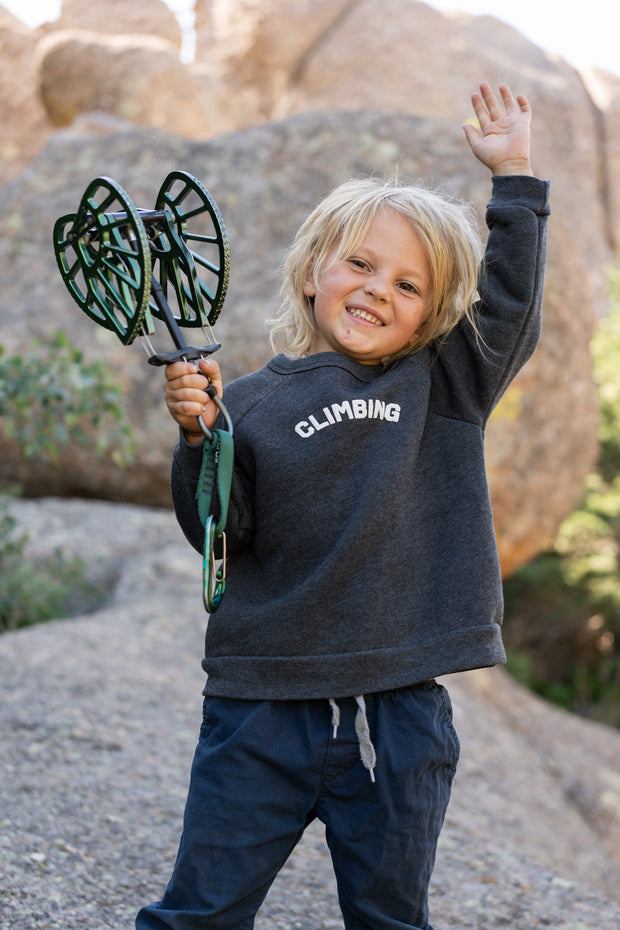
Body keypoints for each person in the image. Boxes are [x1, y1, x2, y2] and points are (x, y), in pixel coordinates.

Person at [136, 82, 550, 930]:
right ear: (315, 267)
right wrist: (197, 440)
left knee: (390, 920)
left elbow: (509, 306)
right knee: (199, 914)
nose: (377, 291)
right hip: (259, 705)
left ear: (432, 313)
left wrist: (514, 179)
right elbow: (223, 532)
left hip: (397, 713)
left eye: (407, 285)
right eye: (361, 264)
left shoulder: (446, 385)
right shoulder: (245, 402)